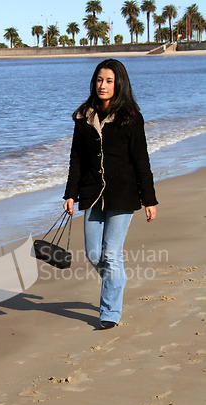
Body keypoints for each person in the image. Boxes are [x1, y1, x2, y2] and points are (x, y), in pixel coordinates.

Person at [63, 58, 158, 330]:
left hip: (123, 195)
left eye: (109, 81)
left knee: (112, 255)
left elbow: (141, 161)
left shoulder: (130, 118)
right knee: (94, 254)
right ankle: (117, 281)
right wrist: (70, 194)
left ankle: (109, 313)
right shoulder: (83, 117)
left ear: (119, 84)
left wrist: (149, 200)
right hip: (92, 194)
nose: (102, 85)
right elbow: (76, 159)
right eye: (99, 80)